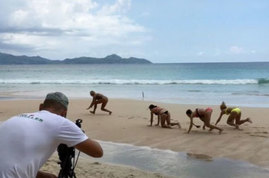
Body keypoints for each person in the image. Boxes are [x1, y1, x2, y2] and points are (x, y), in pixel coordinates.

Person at [0, 92, 103, 178]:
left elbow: (9, 160)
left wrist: (41, 175)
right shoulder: (60, 122)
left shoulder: (15, 118)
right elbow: (97, 152)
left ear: (40, 107)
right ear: (64, 113)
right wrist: (79, 134)